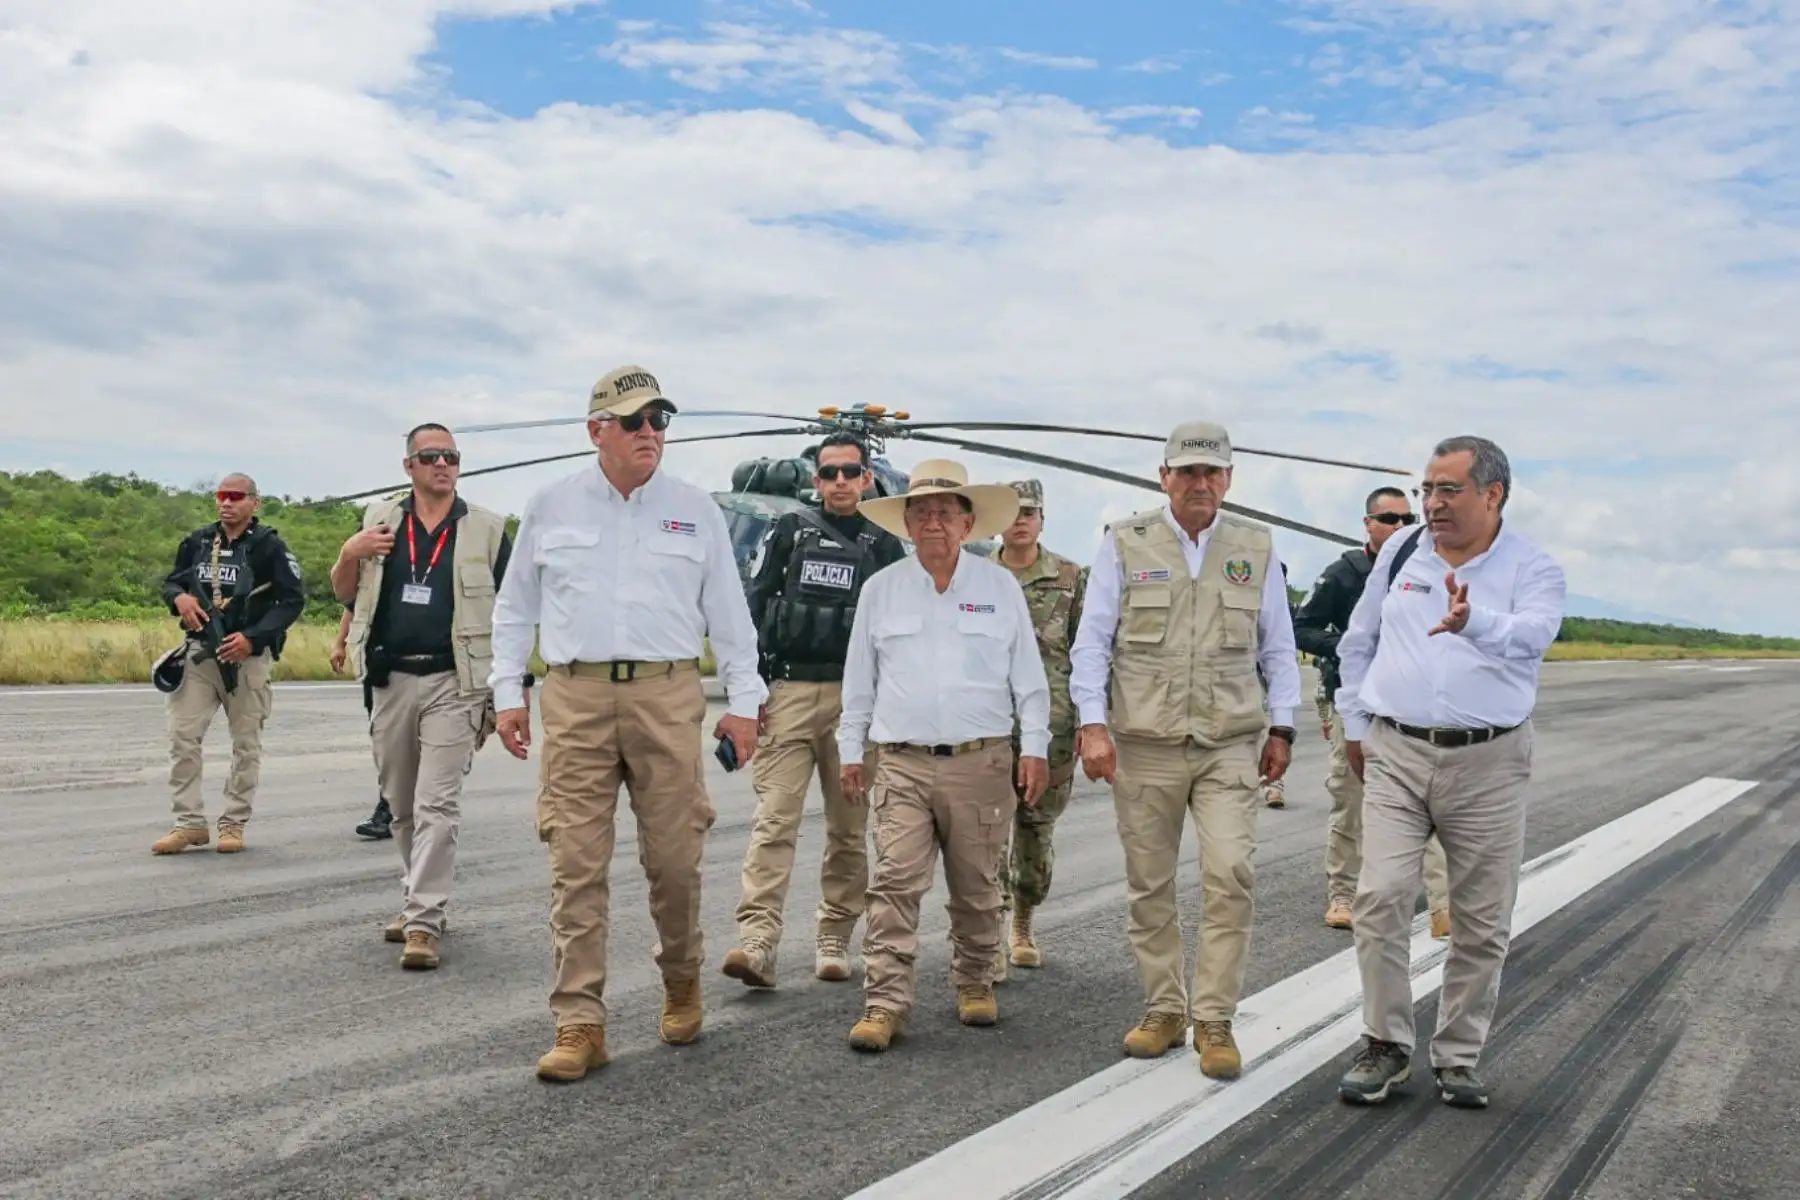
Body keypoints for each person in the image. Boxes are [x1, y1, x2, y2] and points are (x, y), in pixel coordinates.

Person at [488, 364, 766, 1083]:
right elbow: (515, 606)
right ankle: (579, 1021)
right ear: (597, 432)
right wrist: (507, 691)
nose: (652, 434)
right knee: (574, 863)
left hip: (667, 695)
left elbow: (730, 616)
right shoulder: (551, 505)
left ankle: (681, 976)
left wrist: (744, 701)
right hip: (575, 697)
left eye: (660, 422)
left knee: (673, 859)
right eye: (637, 422)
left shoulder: (694, 509)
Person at [1332, 436, 1564, 1111]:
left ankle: (1458, 1055)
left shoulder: (1533, 567)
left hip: (1489, 761)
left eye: (1447, 490)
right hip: (1397, 752)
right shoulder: (1403, 555)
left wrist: (1473, 621)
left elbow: (1536, 635)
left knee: (1482, 921)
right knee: (1378, 898)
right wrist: (1355, 725)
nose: (1430, 504)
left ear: (1493, 495)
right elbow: (1358, 641)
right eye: (1427, 489)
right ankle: (1386, 1043)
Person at [1068, 420, 1301, 1080]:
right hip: (1144, 743)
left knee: (1230, 874)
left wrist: (1282, 727)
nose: (1201, 483)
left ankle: (1216, 1018)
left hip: (1229, 743)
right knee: (1150, 882)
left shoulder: (1254, 546)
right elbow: (1092, 643)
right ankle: (1164, 1008)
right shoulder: (1124, 542)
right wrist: (1093, 725)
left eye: (1213, 472)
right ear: (1162, 476)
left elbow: (1277, 647)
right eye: (1188, 471)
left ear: (1230, 478)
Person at [836, 459, 1050, 1052]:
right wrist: (851, 751)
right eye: (922, 511)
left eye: (945, 512)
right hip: (902, 761)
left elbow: (1029, 679)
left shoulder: (998, 587)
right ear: (906, 523)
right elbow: (859, 681)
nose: (933, 521)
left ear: (968, 522)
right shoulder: (881, 590)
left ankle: (976, 982)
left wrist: (1034, 749)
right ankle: (884, 1002)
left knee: (978, 885)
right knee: (894, 883)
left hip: (981, 763)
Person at [330, 423, 518, 970]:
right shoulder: (379, 522)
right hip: (390, 679)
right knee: (401, 803)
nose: (443, 464)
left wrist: (510, 690)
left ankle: (424, 921)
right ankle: (418, 896)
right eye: (431, 456)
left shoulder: (485, 528)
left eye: (452, 456)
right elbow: (343, 591)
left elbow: (515, 610)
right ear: (409, 466)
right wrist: (350, 551)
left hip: (454, 683)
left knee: (438, 803)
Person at [722, 432, 907, 990]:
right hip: (789, 694)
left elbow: (896, 633)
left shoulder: (883, 543)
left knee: (848, 830)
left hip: (855, 706)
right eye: (829, 473)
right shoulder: (788, 531)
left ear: (868, 477)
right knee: (773, 822)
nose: (841, 482)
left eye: (851, 471)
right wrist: (748, 698)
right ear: (816, 480)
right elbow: (752, 610)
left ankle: (834, 935)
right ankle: (758, 940)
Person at [1294, 487, 1452, 937]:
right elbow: (1301, 627)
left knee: (1431, 803)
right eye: (1388, 519)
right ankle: (1344, 893)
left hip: (1417, 706)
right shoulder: (1345, 573)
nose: (1399, 527)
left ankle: (1443, 904)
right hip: (1359, 701)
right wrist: (1343, 649)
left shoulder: (1430, 566)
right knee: (1351, 800)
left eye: (1406, 519)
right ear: (1368, 524)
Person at [150, 474, 306, 855]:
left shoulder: (270, 547)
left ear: (255, 502)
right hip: (201, 655)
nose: (226, 503)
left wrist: (254, 637)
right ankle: (188, 824)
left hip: (246, 659)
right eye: (221, 495)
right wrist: (180, 600)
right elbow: (173, 582)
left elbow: (292, 600)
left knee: (246, 745)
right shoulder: (199, 541)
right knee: (182, 738)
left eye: (236, 496)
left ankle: (233, 822)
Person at [988, 479, 1086, 975]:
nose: (1021, 519)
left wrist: (1094, 724)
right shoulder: (976, 575)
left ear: (1043, 519)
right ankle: (990, 933)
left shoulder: (1070, 577)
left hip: (1052, 727)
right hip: (984, 724)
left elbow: (1089, 656)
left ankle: (1023, 920)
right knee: (984, 834)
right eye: (1013, 511)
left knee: (1034, 829)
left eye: (1031, 511)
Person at [331, 604, 393, 840]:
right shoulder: (373, 566)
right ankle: (390, 805)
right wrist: (340, 643)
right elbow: (353, 603)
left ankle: (408, 807)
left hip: (433, 662)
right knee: (384, 738)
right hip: (381, 661)